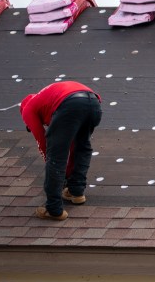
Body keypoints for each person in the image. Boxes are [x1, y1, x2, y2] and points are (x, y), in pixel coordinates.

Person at [20, 81, 103, 221]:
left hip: (70, 104)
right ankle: (75, 191)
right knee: (81, 147)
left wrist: (58, 170)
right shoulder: (47, 97)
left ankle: (53, 209)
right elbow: (70, 145)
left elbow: (43, 144)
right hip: (93, 103)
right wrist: (68, 174)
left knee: (56, 157)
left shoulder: (28, 109)